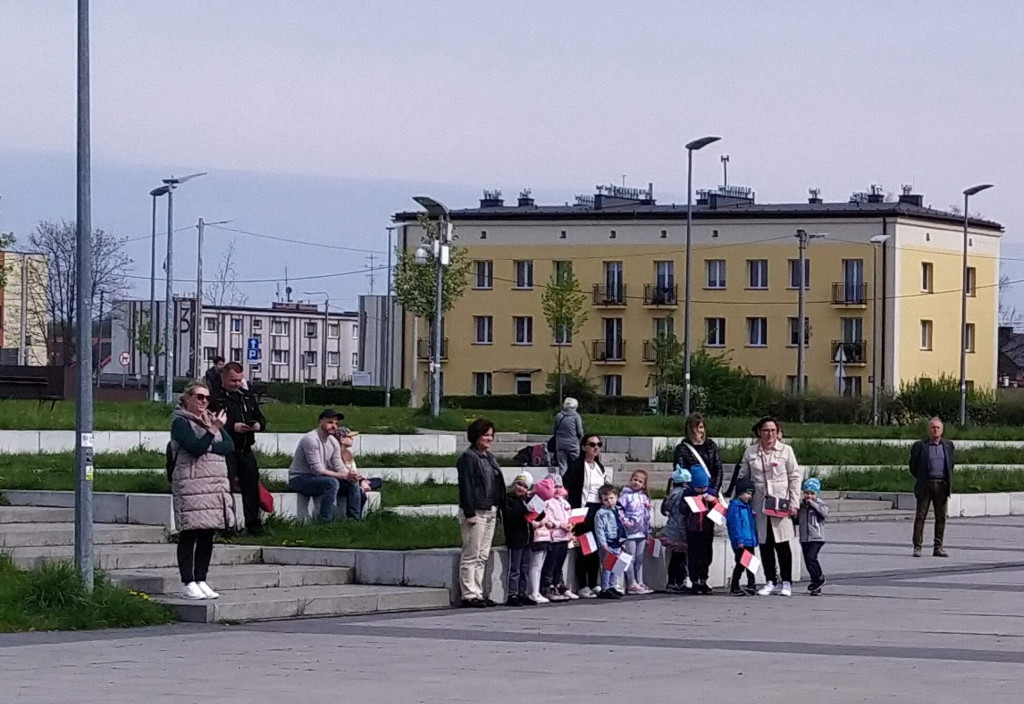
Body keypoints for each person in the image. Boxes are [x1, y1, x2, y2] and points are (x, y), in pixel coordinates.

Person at [170, 381, 235, 600]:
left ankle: (201, 578)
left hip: (213, 486)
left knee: (208, 533)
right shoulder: (180, 422)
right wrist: (213, 432)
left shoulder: (210, 419)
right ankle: (187, 581)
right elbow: (195, 448)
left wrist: (212, 436)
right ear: (187, 397)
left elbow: (228, 446)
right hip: (192, 485)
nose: (204, 401)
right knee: (189, 533)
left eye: (206, 398)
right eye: (199, 397)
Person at [738, 416, 801, 597]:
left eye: (773, 430)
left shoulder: (786, 451)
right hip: (759, 504)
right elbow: (743, 475)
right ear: (759, 432)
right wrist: (743, 495)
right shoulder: (751, 452)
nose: (769, 434)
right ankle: (770, 580)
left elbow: (794, 477)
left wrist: (794, 502)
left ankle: (786, 582)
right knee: (765, 544)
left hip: (780, 503)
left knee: (782, 544)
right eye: (766, 430)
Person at [211, 361, 267, 535]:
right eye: (233, 380)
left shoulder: (247, 397)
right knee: (225, 488)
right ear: (224, 377)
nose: (236, 384)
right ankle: (226, 526)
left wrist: (258, 425)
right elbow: (211, 424)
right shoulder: (215, 398)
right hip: (227, 450)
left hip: (245, 448)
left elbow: (261, 418)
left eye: (239, 380)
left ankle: (253, 524)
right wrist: (232, 427)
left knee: (251, 486)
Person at [456, 418, 505, 608]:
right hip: (475, 511)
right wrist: (469, 512)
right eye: (486, 435)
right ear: (476, 436)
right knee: (471, 553)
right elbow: (466, 487)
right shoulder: (469, 458)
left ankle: (479, 591)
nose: (489, 439)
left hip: (490, 510)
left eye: (491, 435)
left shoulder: (489, 458)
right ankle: (469, 594)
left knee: (482, 555)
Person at [287, 409, 364, 521]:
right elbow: (317, 470)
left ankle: (354, 519)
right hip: (300, 478)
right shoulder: (311, 439)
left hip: (318, 478)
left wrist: (350, 474)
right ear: (320, 421)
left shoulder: (332, 441)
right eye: (330, 422)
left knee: (353, 482)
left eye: (336, 423)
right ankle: (324, 520)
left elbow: (338, 465)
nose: (334, 426)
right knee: (332, 483)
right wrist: (344, 476)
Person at [564, 433, 613, 597]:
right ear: (584, 447)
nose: (596, 448)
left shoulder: (600, 467)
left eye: (599, 444)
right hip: (583, 510)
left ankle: (594, 583)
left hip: (598, 509)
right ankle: (582, 584)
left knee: (596, 548)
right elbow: (570, 486)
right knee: (585, 548)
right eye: (592, 445)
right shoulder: (578, 466)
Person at [909, 417, 954, 558]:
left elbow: (950, 465)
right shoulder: (920, 446)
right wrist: (922, 478)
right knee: (920, 516)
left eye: (938, 427)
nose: (935, 430)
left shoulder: (948, 446)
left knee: (941, 517)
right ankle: (917, 547)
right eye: (933, 427)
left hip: (941, 485)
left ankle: (938, 547)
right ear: (928, 429)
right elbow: (913, 466)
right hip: (925, 485)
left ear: (942, 430)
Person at [680, 465, 718, 594]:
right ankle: (695, 580)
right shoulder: (687, 495)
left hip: (707, 529)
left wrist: (713, 501)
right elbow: (682, 510)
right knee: (694, 556)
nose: (702, 490)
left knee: (706, 555)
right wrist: (690, 503)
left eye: (704, 487)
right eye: (699, 488)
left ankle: (704, 579)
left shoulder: (711, 495)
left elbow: (719, 511)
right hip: (693, 529)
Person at [618, 469, 653, 594]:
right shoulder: (625, 496)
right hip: (630, 533)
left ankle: (639, 581)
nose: (636, 483)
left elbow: (647, 516)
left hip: (641, 533)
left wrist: (648, 531)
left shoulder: (644, 497)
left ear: (644, 484)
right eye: (634, 479)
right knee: (629, 558)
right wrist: (625, 521)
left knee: (639, 558)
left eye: (640, 481)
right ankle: (631, 583)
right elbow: (619, 510)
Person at [503, 473, 535, 607]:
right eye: (519, 484)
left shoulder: (526, 501)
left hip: (527, 539)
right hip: (515, 538)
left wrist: (533, 503)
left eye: (524, 487)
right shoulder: (509, 499)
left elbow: (537, 516)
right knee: (515, 568)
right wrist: (524, 509)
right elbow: (511, 514)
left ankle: (522, 592)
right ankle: (512, 593)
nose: (521, 488)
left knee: (525, 567)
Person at [673, 413, 724, 493]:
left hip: (710, 490)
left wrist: (714, 491)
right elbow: (681, 473)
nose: (697, 430)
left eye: (700, 427)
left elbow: (718, 470)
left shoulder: (711, 446)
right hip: (690, 492)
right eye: (694, 427)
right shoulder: (681, 449)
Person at [726, 478, 759, 597]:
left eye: (751, 494)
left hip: (749, 539)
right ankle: (735, 585)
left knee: (751, 563)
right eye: (747, 493)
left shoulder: (748, 507)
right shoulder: (736, 507)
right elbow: (735, 525)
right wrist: (739, 539)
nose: (749, 497)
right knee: (741, 564)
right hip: (742, 541)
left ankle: (752, 584)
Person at [660, 466, 690, 593]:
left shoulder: (672, 494)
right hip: (678, 532)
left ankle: (673, 581)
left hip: (670, 530)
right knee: (679, 559)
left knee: (675, 558)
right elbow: (681, 517)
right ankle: (675, 582)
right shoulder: (682, 496)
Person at [594, 483, 626, 599]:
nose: (609, 501)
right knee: (607, 566)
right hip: (608, 542)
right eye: (606, 499)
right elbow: (600, 529)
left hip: (617, 541)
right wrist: (603, 544)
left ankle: (612, 586)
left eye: (612, 498)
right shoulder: (601, 513)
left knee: (616, 566)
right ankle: (605, 588)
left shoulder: (618, 511)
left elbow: (621, 526)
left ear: (616, 497)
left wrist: (623, 540)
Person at [527, 476, 556, 604]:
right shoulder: (534, 502)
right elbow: (530, 519)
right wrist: (539, 522)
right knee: (535, 566)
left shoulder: (540, 502)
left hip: (544, 537)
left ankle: (536, 591)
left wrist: (547, 522)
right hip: (537, 538)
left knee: (539, 566)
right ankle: (533, 592)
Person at [799, 477, 830, 595]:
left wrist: (813, 504)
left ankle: (820, 578)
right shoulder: (802, 506)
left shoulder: (819, 504)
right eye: (806, 493)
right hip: (804, 537)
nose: (809, 496)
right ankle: (816, 584)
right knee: (808, 561)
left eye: (812, 493)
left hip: (816, 537)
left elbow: (824, 513)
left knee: (812, 558)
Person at [551, 397, 584, 475]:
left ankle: (563, 482)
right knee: (577, 462)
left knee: (562, 465)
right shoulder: (576, 416)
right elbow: (580, 431)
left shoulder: (559, 415)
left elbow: (553, 430)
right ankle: (576, 479)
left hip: (560, 443)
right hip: (573, 444)